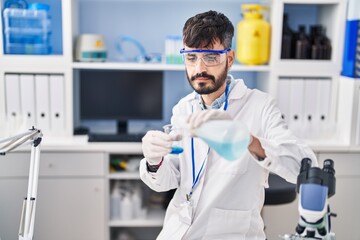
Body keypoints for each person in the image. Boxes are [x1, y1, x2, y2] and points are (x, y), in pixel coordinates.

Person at [139, 10, 317, 240]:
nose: (199, 68)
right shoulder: (183, 108)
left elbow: (306, 168)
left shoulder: (260, 106)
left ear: (229, 58)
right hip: (178, 231)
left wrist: (250, 141)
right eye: (191, 57)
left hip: (232, 233)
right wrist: (155, 161)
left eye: (210, 57)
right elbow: (167, 181)